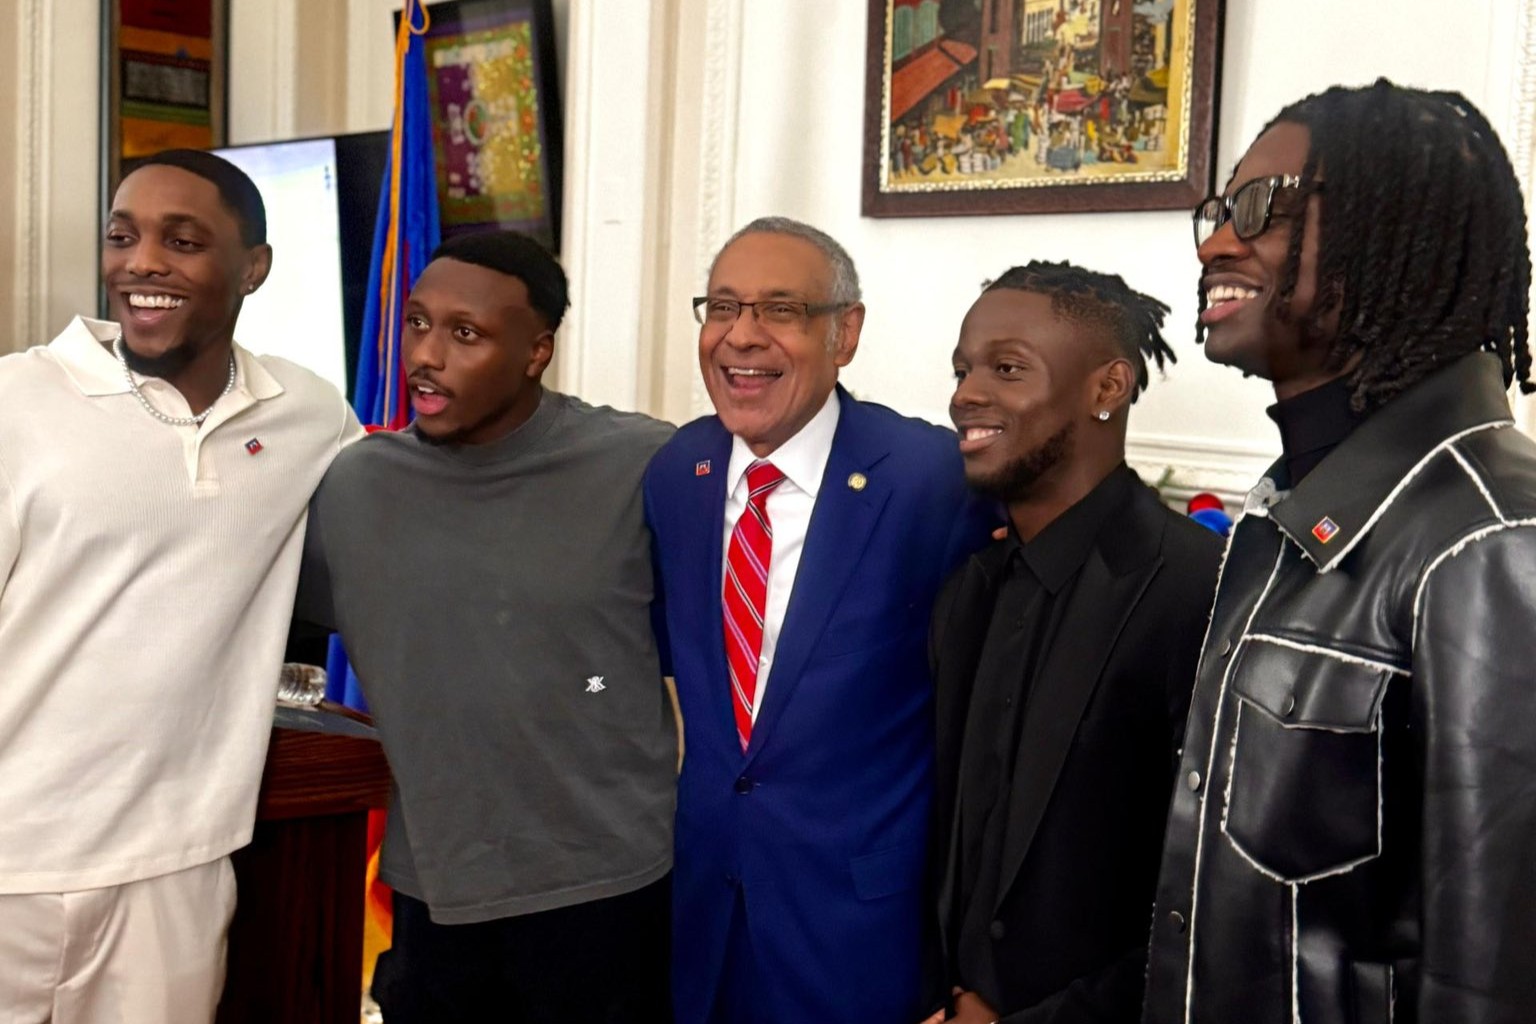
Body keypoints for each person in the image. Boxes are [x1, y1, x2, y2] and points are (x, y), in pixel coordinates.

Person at [1143, 79, 1536, 1024]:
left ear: (1401, 229)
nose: (1216, 243)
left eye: (1261, 209)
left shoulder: (1488, 537)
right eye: (1217, 209)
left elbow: (1495, 981)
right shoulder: (1290, 504)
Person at [0, 150, 359, 1022]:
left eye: (183, 240)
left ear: (253, 268)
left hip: (180, 867)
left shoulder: (309, 415)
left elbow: (415, 530)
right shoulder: (15, 403)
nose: (143, 262)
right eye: (123, 236)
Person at [295, 230, 677, 1023]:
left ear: (536, 352)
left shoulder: (645, 465)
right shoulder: (354, 488)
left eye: (465, 334)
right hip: (434, 897)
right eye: (418, 322)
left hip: (609, 894)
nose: (426, 354)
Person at [644, 217, 992, 1024]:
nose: (741, 336)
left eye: (779, 310)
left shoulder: (930, 478)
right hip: (699, 913)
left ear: (846, 333)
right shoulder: (677, 471)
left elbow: (986, 715)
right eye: (721, 307)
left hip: (856, 928)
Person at [923, 262, 1222, 1024]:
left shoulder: (1197, 589)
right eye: (964, 369)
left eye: (1007, 368)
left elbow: (1214, 901)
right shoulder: (969, 591)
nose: (966, 394)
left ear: (1106, 388)